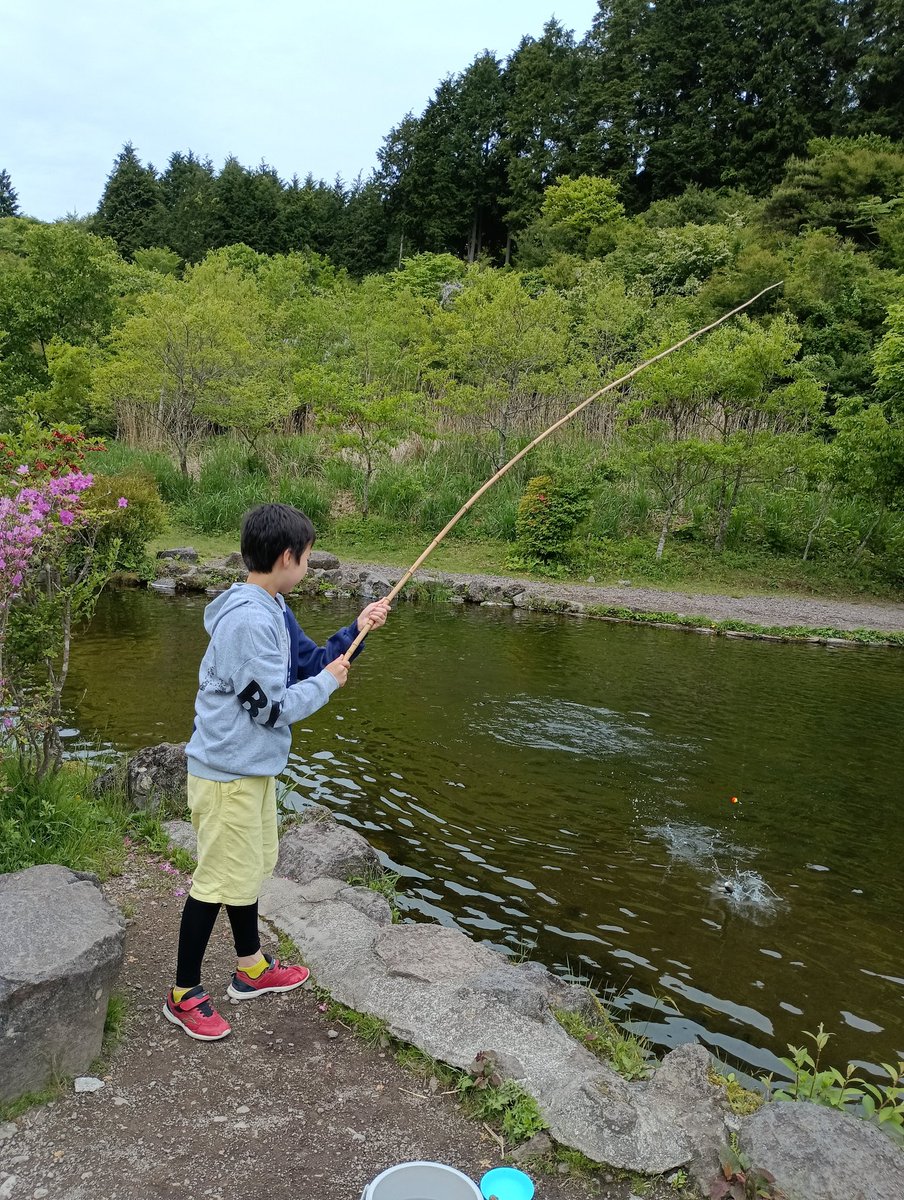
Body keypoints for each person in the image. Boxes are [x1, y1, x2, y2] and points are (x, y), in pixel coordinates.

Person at [164, 503, 390, 1040]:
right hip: (226, 775)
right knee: (216, 881)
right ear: (287, 557)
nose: (309, 567)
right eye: (308, 558)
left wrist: (358, 629)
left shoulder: (274, 605)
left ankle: (252, 969)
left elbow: (307, 664)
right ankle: (183, 993)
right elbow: (268, 708)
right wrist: (329, 685)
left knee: (251, 868)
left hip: (252, 768)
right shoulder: (246, 621)